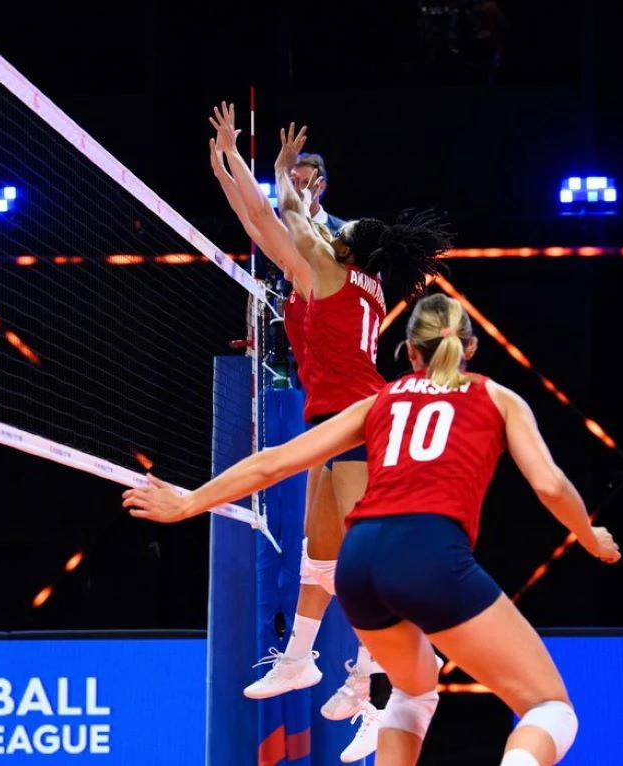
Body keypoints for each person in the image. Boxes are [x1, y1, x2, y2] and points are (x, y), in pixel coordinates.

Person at [124, 293, 621, 766]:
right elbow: (551, 485)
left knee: (413, 690)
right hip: (428, 552)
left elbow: (273, 463)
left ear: (409, 351)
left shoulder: (380, 401)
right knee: (550, 708)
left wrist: (188, 503)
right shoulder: (497, 397)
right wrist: (588, 535)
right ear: (470, 347)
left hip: (358, 563)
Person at [209, 102, 450, 760]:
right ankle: (300, 659)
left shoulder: (326, 272)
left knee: (366, 563)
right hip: (336, 421)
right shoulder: (343, 277)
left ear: (345, 246)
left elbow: (278, 217)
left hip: (360, 424)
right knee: (320, 554)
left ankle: (380, 690)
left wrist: (274, 169)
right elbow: (263, 222)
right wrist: (227, 168)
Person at [290, 152, 346, 236]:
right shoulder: (279, 230)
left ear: (321, 186)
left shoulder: (342, 232)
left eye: (306, 182)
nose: (297, 189)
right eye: (293, 182)